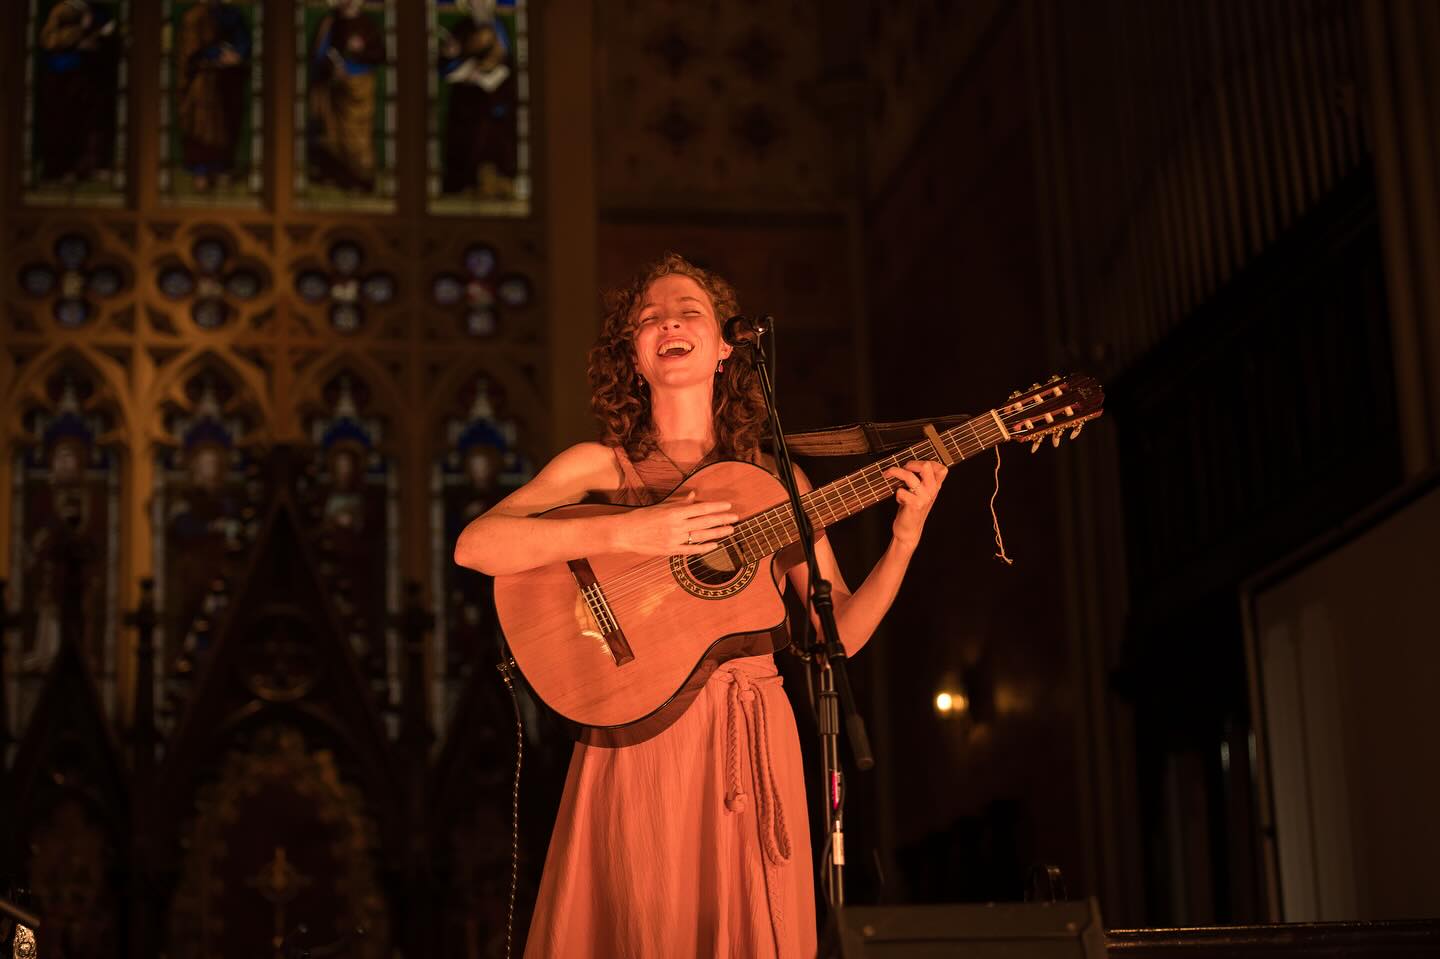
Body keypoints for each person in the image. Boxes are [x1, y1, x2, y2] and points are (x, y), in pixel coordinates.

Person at [453, 253, 946, 957]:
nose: (668, 323)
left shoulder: (775, 482)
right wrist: (631, 530)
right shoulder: (601, 466)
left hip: (753, 731)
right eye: (649, 318)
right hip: (639, 728)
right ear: (633, 356)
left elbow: (839, 630)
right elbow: (476, 545)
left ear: (725, 347)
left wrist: (904, 538)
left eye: (689, 312)